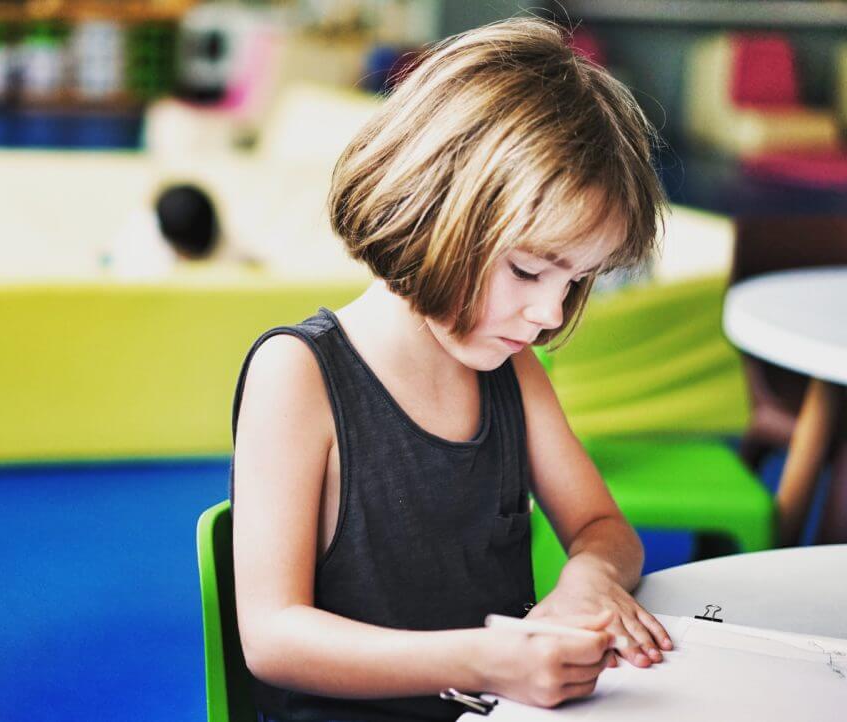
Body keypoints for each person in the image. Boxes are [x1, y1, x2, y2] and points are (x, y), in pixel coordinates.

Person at [230, 17, 671, 722]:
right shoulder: (298, 375)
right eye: (529, 270)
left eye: (575, 282)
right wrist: (487, 660)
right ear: (433, 210)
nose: (549, 315)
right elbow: (273, 638)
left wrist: (588, 579)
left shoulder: (510, 371)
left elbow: (602, 527)